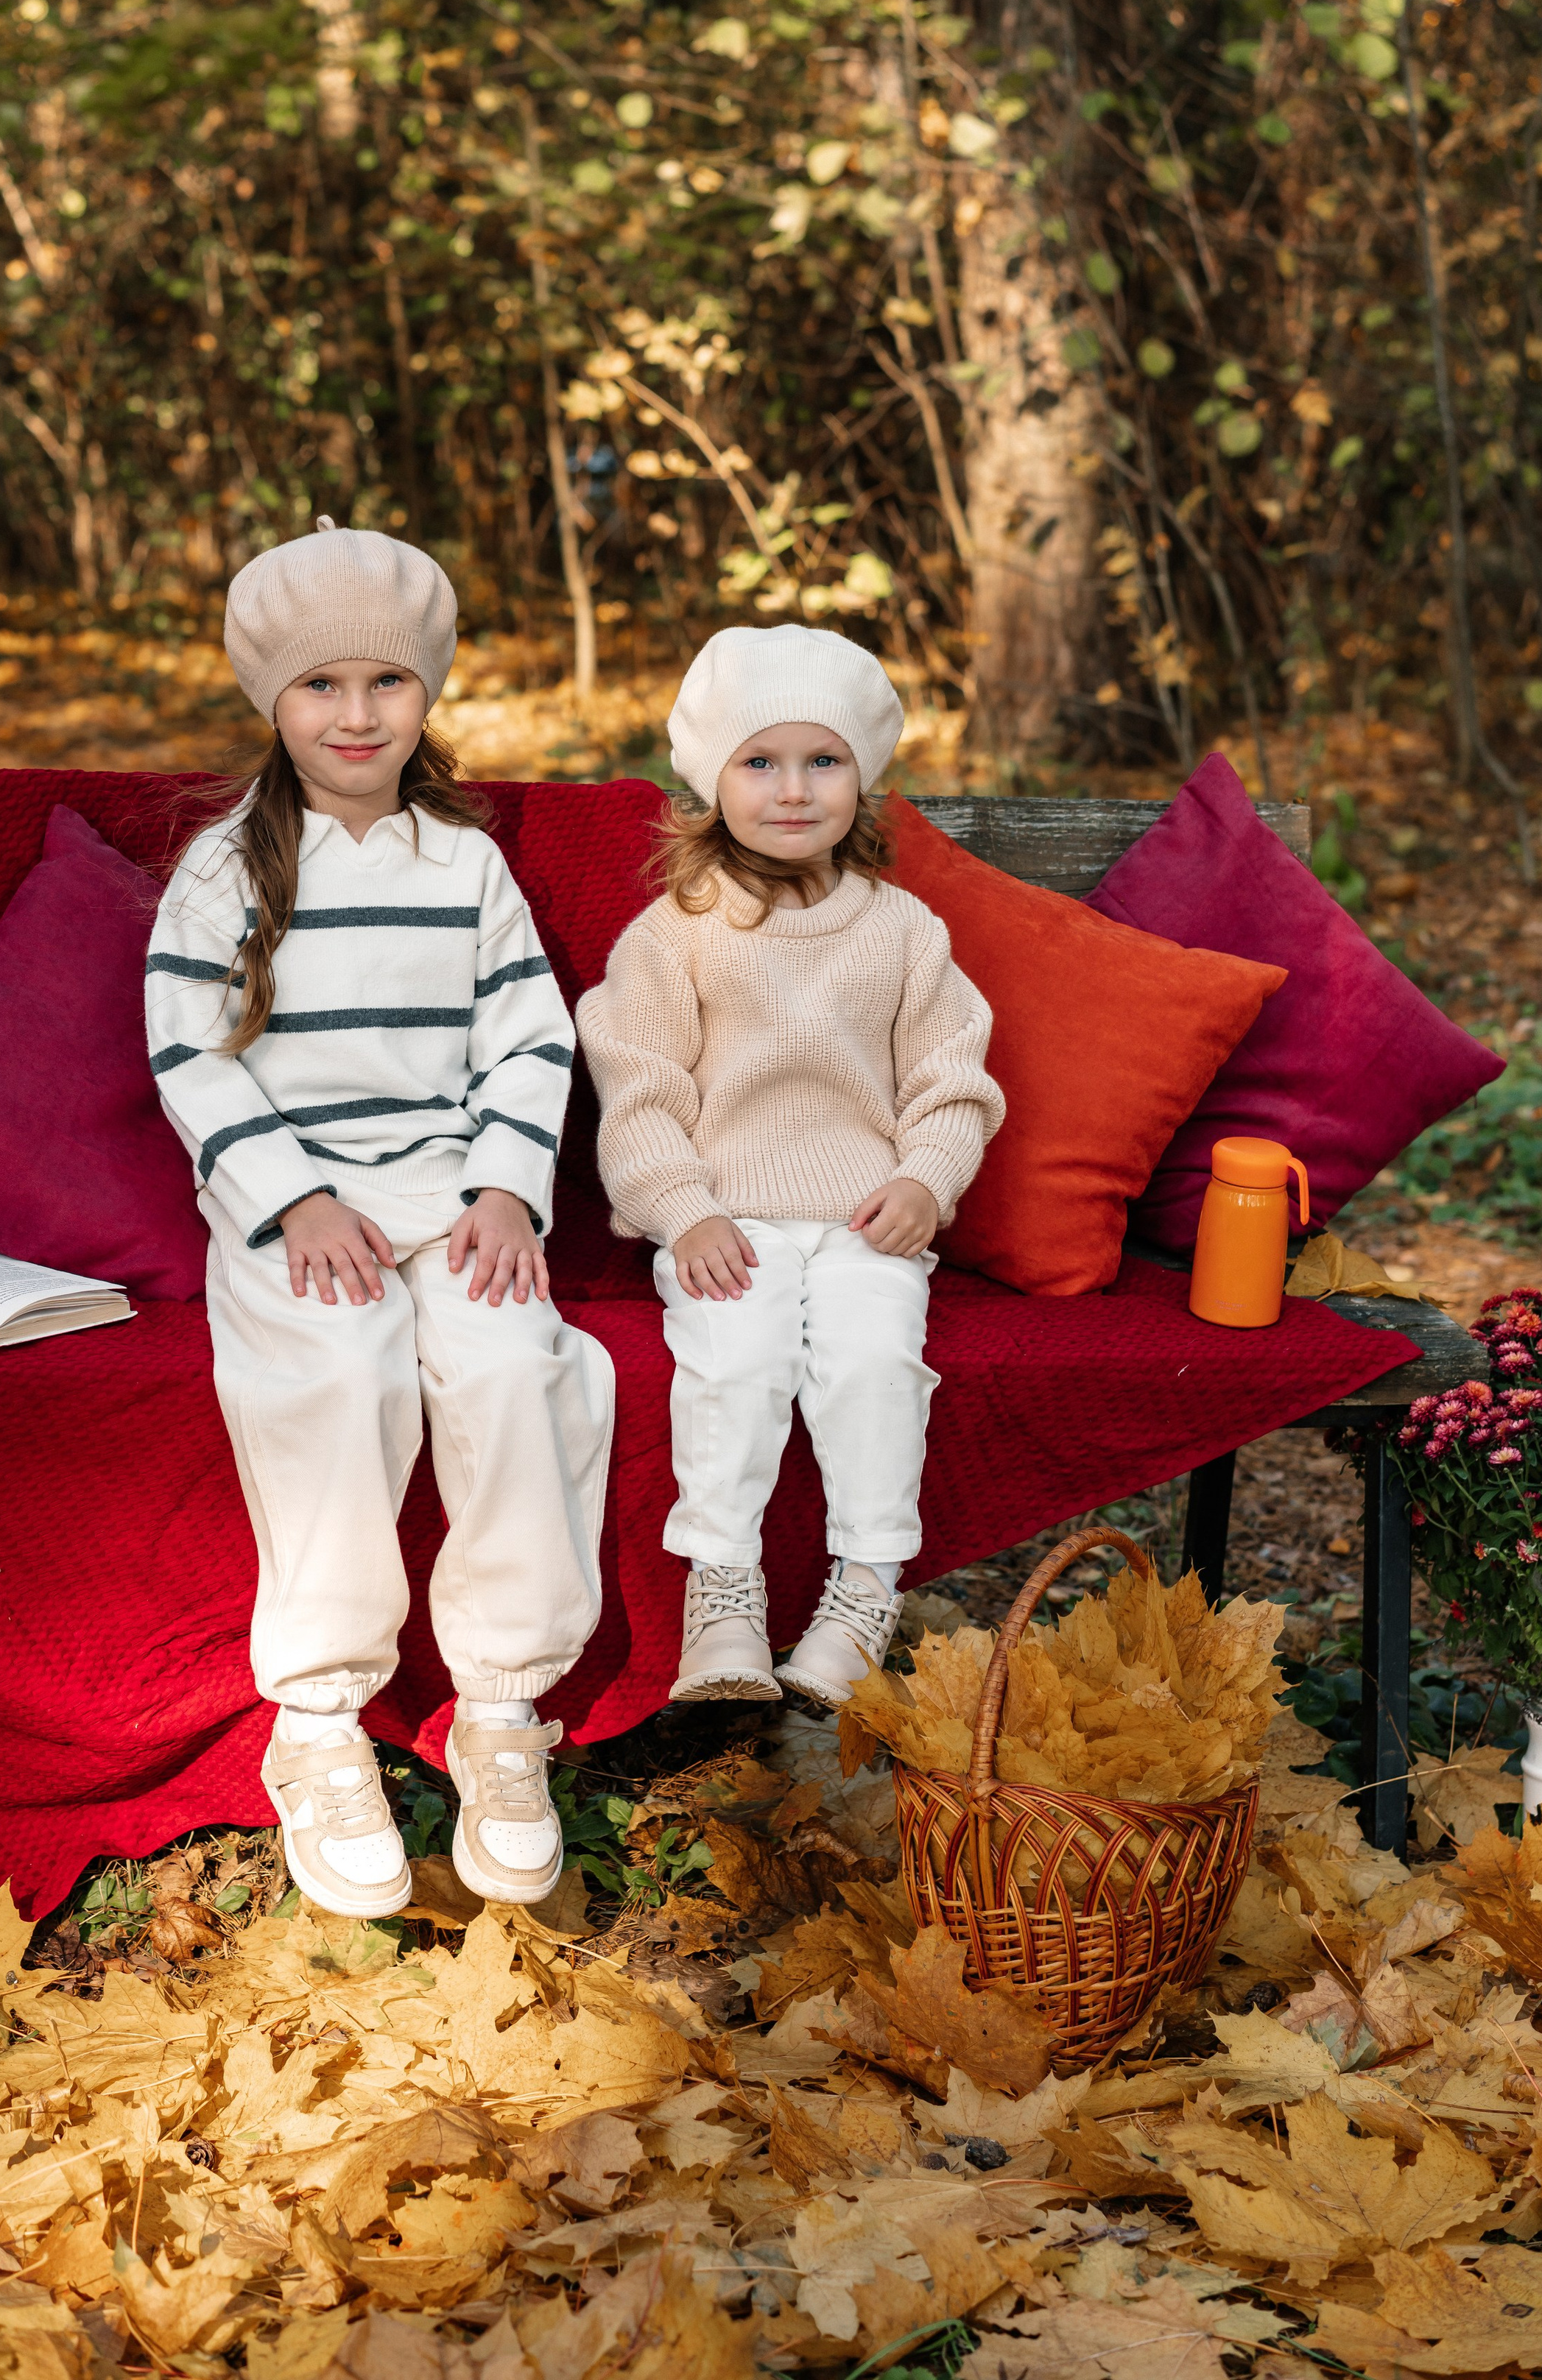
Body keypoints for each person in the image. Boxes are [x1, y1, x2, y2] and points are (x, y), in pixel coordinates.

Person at [147, 523, 614, 1916]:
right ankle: (318, 1722)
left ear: (428, 695)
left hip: (451, 1185)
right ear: (271, 702)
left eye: (387, 686)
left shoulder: (463, 864)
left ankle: (501, 1706)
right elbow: (190, 1052)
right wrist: (293, 1197)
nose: (357, 717)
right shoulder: (227, 868)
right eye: (321, 688)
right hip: (302, 1203)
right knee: (338, 1375)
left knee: (510, 1365)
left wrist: (504, 1187)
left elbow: (530, 1038)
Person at [576, 626, 1002, 1711]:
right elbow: (639, 1088)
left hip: (866, 1216)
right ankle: (723, 1593)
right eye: (760, 761)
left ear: (863, 780)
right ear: (710, 781)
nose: (794, 789)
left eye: (823, 761)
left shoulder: (904, 931)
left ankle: (865, 1587)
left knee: (872, 1363)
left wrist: (926, 1179)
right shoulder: (677, 935)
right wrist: (682, 1210)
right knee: (737, 1362)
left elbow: (951, 1078)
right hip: (729, 1217)